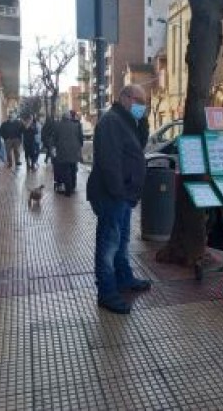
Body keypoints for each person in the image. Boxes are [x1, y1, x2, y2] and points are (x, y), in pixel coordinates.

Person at [87, 84, 151, 314]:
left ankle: (124, 279)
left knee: (122, 242)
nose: (142, 106)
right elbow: (109, 161)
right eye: (139, 100)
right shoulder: (112, 121)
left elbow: (139, 148)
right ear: (124, 97)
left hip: (122, 195)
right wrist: (120, 193)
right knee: (108, 245)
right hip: (112, 195)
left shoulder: (126, 121)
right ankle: (106, 292)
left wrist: (143, 121)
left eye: (144, 103)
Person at [53, 110, 83, 196]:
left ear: (62, 118)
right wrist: (79, 147)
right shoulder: (76, 125)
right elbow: (80, 138)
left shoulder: (57, 126)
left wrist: (55, 147)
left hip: (62, 151)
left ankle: (68, 189)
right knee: (73, 168)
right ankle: (73, 186)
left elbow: (55, 139)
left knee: (65, 170)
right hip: (74, 150)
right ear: (69, 117)